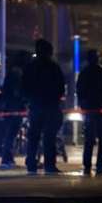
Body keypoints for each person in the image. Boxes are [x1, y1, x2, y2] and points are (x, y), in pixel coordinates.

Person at [22, 38, 66, 174]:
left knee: (34, 136)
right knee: (49, 137)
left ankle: (31, 164)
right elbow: (60, 86)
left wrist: (29, 100)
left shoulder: (30, 67)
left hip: (36, 105)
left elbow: (25, 86)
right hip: (50, 105)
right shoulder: (53, 67)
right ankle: (49, 165)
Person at [76, 49, 102, 176]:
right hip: (100, 109)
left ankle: (88, 165)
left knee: (90, 139)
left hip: (91, 109)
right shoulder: (101, 72)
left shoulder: (85, 73)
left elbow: (80, 91)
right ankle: (98, 165)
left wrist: (83, 106)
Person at [0, 51, 28, 169]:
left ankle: (8, 158)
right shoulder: (18, 73)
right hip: (14, 107)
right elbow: (17, 92)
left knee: (10, 134)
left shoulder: (12, 72)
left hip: (9, 107)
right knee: (11, 134)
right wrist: (23, 101)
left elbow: (5, 90)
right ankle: (6, 159)